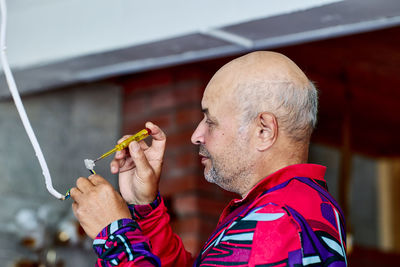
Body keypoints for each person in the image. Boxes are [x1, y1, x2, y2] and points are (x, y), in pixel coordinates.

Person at [70, 51, 347, 266]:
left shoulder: (274, 221)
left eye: (210, 120)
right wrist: (145, 209)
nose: (197, 135)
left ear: (264, 130)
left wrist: (114, 235)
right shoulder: (302, 205)